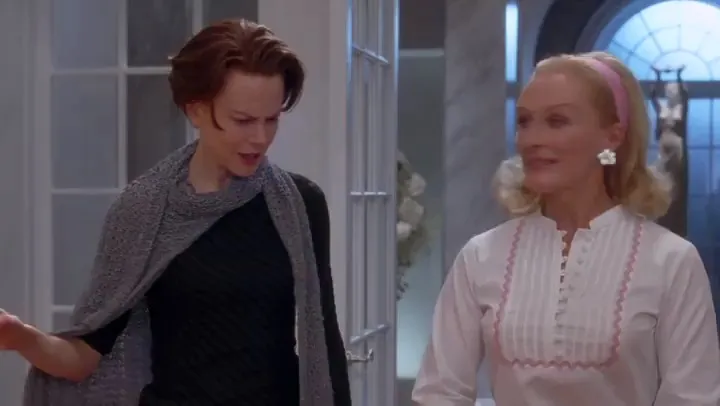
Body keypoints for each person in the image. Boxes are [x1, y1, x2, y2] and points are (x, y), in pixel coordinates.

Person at [0, 19, 351, 406]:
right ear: (195, 110)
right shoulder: (143, 210)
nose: (260, 138)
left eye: (271, 120)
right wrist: (21, 337)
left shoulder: (301, 203)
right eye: (243, 120)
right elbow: (84, 357)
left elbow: (327, 346)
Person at [412, 51, 720, 406]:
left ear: (612, 136)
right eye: (524, 121)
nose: (531, 139)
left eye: (556, 121)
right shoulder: (481, 256)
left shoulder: (672, 261)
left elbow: (692, 398)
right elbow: (439, 392)